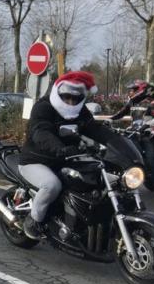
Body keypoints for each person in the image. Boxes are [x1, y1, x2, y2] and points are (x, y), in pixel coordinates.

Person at [19, 71, 118, 239]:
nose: (71, 102)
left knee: (98, 180)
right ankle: (33, 220)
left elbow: (95, 129)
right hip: (36, 160)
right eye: (66, 97)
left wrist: (117, 144)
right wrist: (61, 149)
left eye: (76, 99)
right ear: (58, 93)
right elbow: (41, 132)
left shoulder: (81, 112)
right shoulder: (43, 107)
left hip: (67, 159)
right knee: (52, 185)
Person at [110, 80, 154, 197]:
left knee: (148, 159)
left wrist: (146, 126)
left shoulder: (152, 102)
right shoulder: (132, 103)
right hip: (132, 133)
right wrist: (110, 119)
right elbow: (122, 113)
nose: (130, 92)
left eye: (133, 90)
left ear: (141, 91)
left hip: (147, 135)